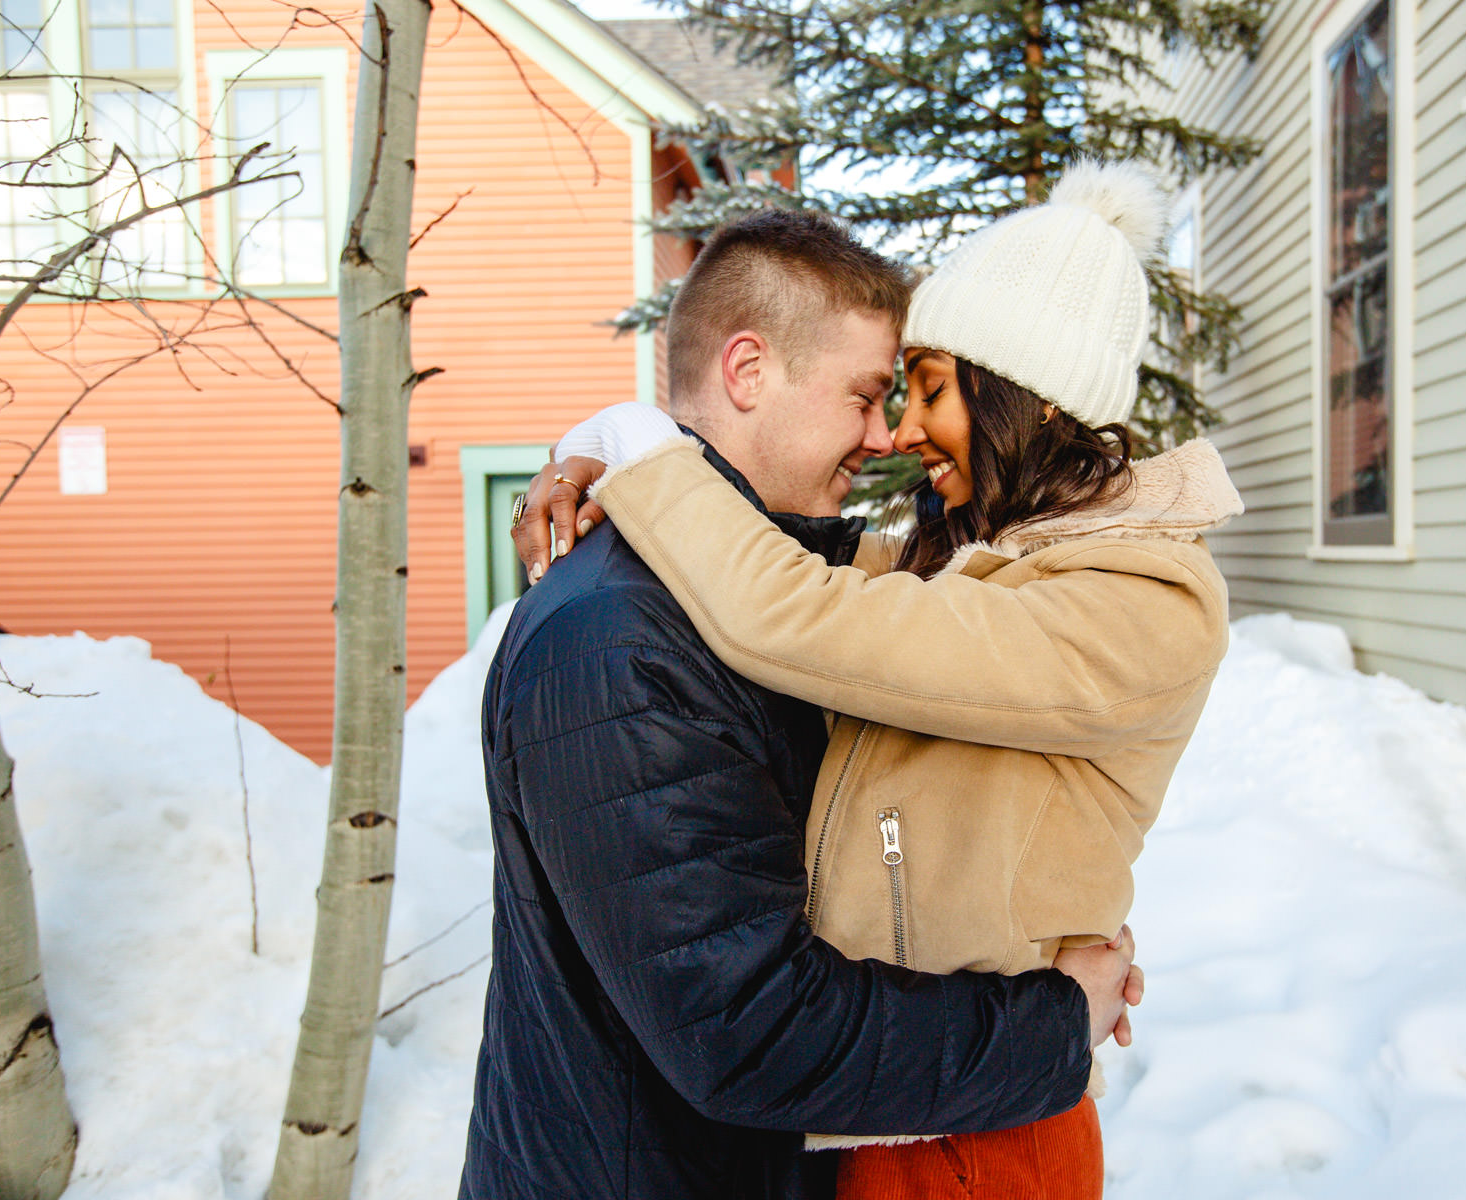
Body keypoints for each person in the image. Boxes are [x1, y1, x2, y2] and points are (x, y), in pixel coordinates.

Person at [516, 160, 1243, 1198]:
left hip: (974, 1135)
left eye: (930, 389)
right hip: (892, 1095)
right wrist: (608, 451)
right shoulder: (983, 563)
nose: (899, 430)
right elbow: (781, 546)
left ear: (1020, 397)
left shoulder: (1138, 606)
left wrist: (637, 440)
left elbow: (793, 612)